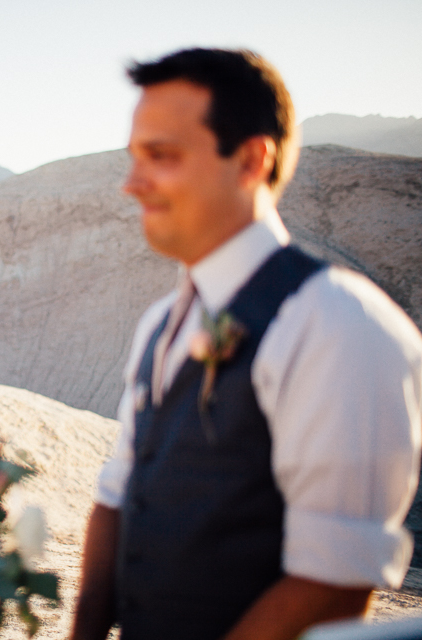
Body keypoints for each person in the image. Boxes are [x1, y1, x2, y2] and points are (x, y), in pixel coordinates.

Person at [70, 48, 422, 640]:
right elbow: (119, 495)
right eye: (133, 157)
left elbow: (332, 582)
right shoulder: (159, 322)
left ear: (253, 159)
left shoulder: (340, 325)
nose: (131, 184)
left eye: (161, 156)